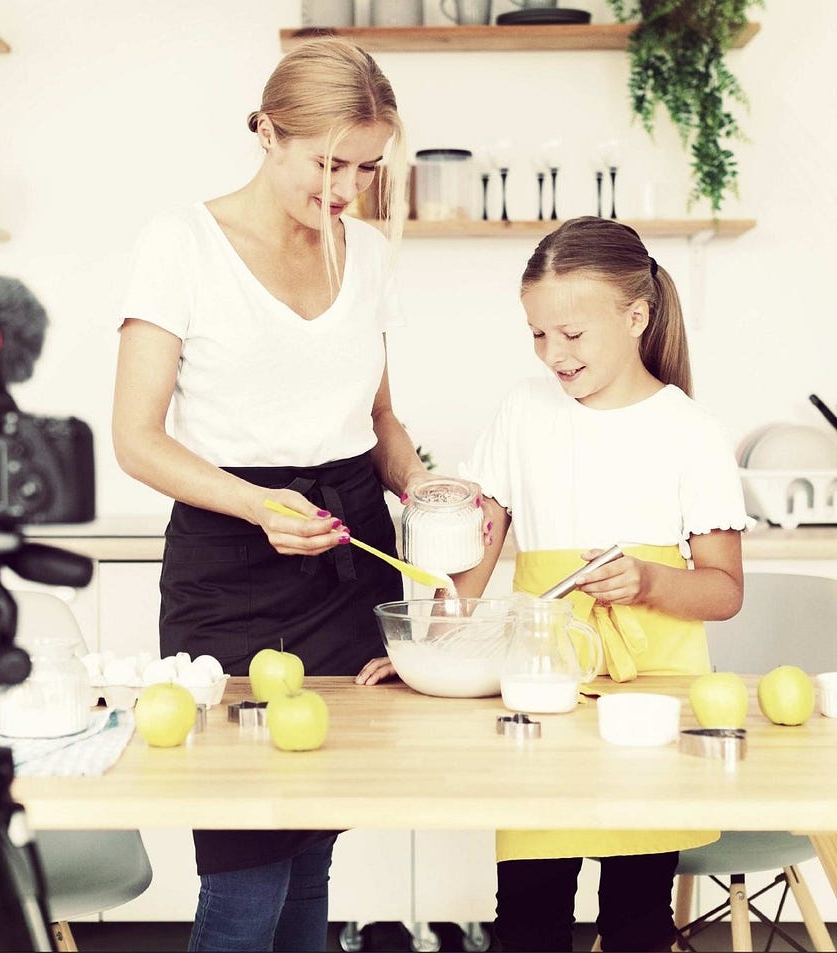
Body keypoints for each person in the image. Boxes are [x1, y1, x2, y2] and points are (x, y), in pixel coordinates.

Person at [112, 36, 460, 953]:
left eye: (366, 168)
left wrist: (423, 488)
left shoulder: (370, 251)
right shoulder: (180, 243)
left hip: (347, 554)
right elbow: (136, 439)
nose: (343, 188)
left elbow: (380, 416)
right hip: (229, 561)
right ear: (269, 131)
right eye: (327, 162)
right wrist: (260, 506)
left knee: (312, 849)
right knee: (243, 859)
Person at [359, 215, 750, 950]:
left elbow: (724, 590)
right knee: (528, 917)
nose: (553, 355)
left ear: (636, 316)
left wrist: (648, 582)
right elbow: (476, 560)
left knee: (637, 919)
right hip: (540, 688)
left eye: (571, 335)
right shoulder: (523, 410)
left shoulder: (689, 430)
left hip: (648, 702)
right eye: (538, 335)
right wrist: (431, 649)